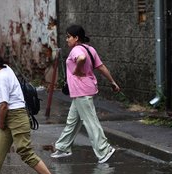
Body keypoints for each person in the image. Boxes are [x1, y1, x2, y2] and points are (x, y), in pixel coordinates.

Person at [50, 24, 120, 164]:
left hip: (81, 91)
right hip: (82, 90)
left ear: (76, 38)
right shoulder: (91, 49)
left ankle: (104, 150)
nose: (67, 39)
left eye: (68, 37)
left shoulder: (76, 50)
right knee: (73, 121)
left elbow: (81, 58)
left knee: (90, 121)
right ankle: (63, 147)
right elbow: (101, 67)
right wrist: (112, 82)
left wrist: (77, 70)